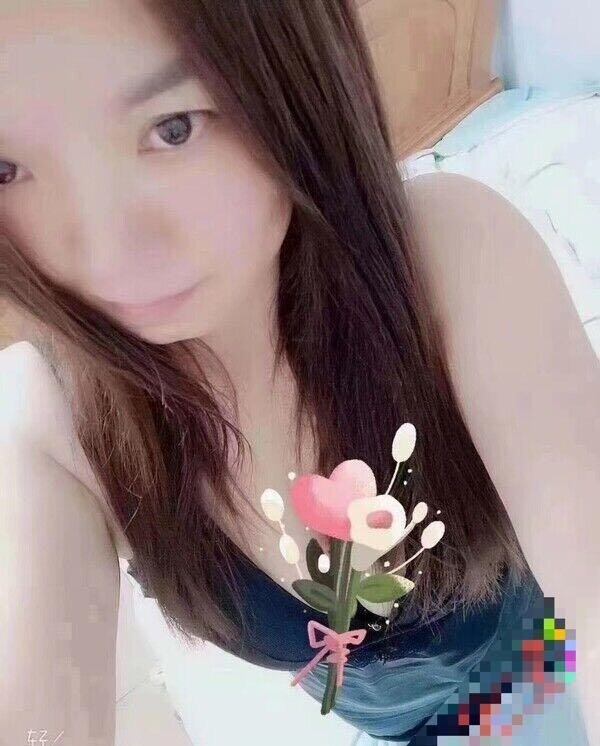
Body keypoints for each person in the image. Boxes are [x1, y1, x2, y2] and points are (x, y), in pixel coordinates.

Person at [0, 1, 598, 745]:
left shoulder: (448, 261)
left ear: (294, 78)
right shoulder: (53, 423)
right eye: (7, 170)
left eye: (174, 127)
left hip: (549, 660)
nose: (107, 251)